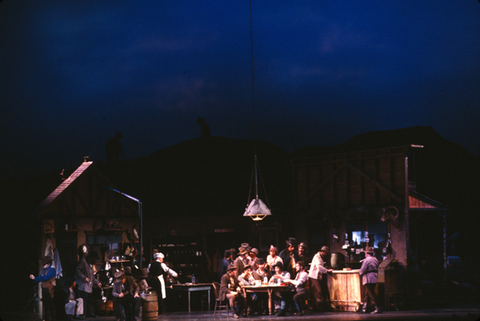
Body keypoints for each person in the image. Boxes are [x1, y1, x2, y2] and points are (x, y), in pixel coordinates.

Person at [75, 247, 101, 318]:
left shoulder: (90, 264)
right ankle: (83, 314)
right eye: (95, 259)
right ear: (92, 257)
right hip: (83, 287)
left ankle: (90, 314)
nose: (95, 260)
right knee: (83, 302)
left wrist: (97, 283)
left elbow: (92, 276)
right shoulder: (83, 261)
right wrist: (84, 278)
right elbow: (77, 271)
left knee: (89, 301)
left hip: (89, 287)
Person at [30, 256, 57, 321]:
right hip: (44, 289)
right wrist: (34, 278)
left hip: (49, 290)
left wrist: (36, 278)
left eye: (44, 264)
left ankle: (53, 319)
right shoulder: (44, 270)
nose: (43, 265)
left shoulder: (52, 270)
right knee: (46, 305)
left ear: (48, 264)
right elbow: (40, 278)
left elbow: (46, 277)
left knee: (51, 305)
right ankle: (47, 319)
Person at [308, 246, 332, 311]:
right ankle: (318, 307)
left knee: (317, 292)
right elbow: (319, 267)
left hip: (316, 276)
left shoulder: (320, 257)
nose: (326, 254)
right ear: (322, 252)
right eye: (326, 253)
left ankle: (316, 307)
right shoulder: (317, 257)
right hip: (314, 276)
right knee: (318, 291)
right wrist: (327, 270)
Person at [359, 246, 381, 314]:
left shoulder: (366, 260)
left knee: (371, 293)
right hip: (374, 277)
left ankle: (377, 307)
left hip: (368, 278)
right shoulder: (375, 259)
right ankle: (364, 308)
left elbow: (363, 269)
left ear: (367, 253)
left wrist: (360, 273)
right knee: (367, 293)